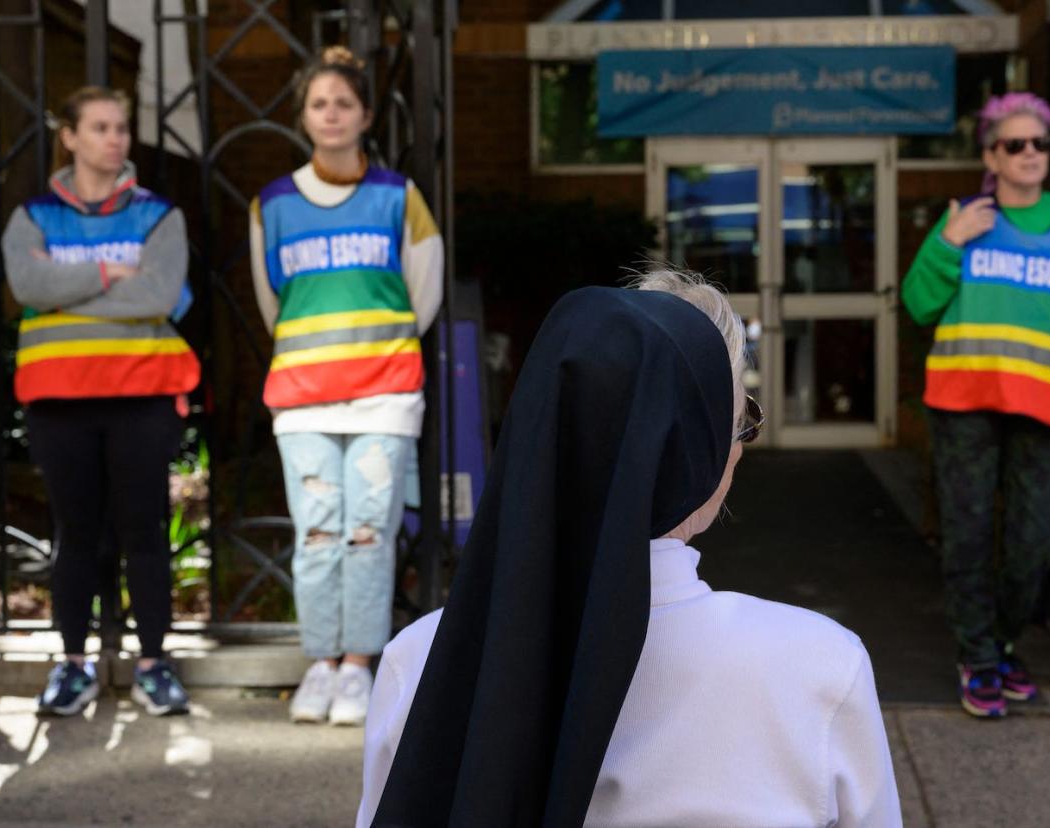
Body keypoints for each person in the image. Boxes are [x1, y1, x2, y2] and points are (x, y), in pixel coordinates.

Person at [357, 272, 902, 827]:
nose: (740, 449)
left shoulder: (421, 660)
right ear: (703, 457)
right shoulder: (820, 668)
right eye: (739, 426)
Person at [901, 92, 1050, 718]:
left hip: (1047, 407)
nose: (1029, 154)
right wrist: (948, 240)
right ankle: (980, 658)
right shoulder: (967, 216)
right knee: (967, 537)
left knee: (1036, 544)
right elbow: (917, 304)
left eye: (1039, 144)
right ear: (990, 155)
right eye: (1014, 144)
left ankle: (1004, 641)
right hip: (965, 401)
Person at [249, 46, 443, 726]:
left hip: (385, 392)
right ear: (303, 117)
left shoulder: (398, 198)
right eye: (319, 104)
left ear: (364, 116)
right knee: (319, 533)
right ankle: (319, 663)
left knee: (368, 530)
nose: (331, 115)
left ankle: (358, 665)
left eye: (343, 103)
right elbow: (270, 299)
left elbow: (425, 292)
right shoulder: (271, 204)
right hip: (302, 398)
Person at [2, 86, 200, 717]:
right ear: (70, 136)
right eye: (100, 128)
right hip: (59, 401)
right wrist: (114, 272)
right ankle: (71, 663)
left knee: (145, 531)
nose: (115, 139)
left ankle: (153, 663)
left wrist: (68, 285)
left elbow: (160, 294)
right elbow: (27, 283)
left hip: (141, 396)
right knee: (75, 535)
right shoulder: (32, 216)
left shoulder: (159, 215)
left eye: (122, 128)